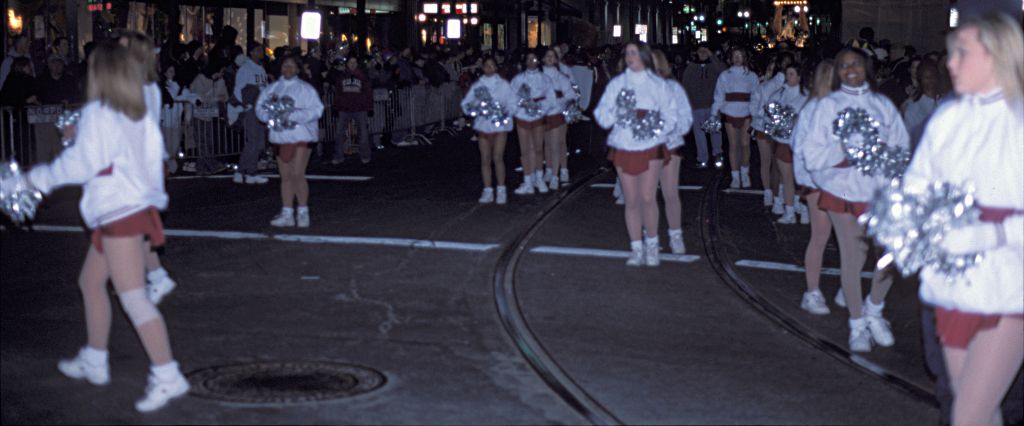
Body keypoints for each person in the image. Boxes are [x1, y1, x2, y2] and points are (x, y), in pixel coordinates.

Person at [24, 41, 189, 413]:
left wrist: (32, 180)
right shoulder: (133, 114)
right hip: (128, 208)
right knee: (90, 282)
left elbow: (81, 166)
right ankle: (95, 357)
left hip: (118, 211)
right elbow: (146, 164)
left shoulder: (101, 112)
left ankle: (167, 374)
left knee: (133, 297)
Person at [902, 14, 1023, 426]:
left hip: (1010, 284)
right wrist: (904, 225)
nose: (949, 64)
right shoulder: (947, 119)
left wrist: (988, 235)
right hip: (949, 284)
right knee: (976, 409)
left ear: (996, 56)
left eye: (961, 54)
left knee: (968, 413)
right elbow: (917, 186)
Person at [803, 48, 909, 352]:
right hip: (844, 192)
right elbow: (813, 156)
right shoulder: (827, 107)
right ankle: (857, 324)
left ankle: (875, 310)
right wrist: (846, 151)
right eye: (844, 65)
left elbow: (900, 146)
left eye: (856, 64)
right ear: (837, 72)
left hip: (878, 194)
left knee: (890, 256)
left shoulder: (881, 105)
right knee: (854, 256)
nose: (851, 69)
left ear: (867, 68)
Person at [595, 42, 677, 266]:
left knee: (648, 197)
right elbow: (602, 114)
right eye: (627, 54)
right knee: (631, 199)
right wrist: (616, 114)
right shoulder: (617, 84)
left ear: (644, 57)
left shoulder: (658, 84)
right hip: (624, 144)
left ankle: (652, 243)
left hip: (651, 145)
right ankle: (636, 247)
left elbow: (670, 114)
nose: (630, 57)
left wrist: (655, 127)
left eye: (635, 53)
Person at [255, 55, 324, 228]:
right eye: (285, 66)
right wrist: (270, 116)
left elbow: (317, 110)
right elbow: (260, 108)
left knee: (297, 174)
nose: (288, 69)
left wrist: (293, 116)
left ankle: (302, 212)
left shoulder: (305, 89)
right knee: (285, 176)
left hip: (302, 136)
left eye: (292, 66)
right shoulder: (272, 89)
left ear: (298, 69)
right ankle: (287, 212)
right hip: (280, 137)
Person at [792, 59, 837, 315]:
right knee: (820, 235)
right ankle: (811, 292)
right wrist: (808, 181)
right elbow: (798, 146)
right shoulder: (812, 109)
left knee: (850, 238)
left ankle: (848, 287)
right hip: (818, 183)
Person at [652, 49, 693, 254]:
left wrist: (670, 132)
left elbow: (684, 117)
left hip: (669, 145)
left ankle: (675, 235)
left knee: (670, 192)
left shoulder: (673, 88)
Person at [461, 56, 515, 205]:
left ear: (496, 68)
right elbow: (467, 103)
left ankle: (501, 188)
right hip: (484, 124)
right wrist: (475, 108)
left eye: (492, 66)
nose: (489, 68)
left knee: (497, 157)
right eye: (487, 66)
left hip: (500, 125)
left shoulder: (503, 84)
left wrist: (504, 112)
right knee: (485, 158)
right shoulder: (478, 85)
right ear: (483, 68)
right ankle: (487, 189)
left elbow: (512, 102)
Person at [767, 61, 809, 224]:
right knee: (786, 178)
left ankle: (804, 209)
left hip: (800, 144)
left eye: (792, 74)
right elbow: (770, 109)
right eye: (787, 74)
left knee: (800, 178)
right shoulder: (779, 94)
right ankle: (789, 211)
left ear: (799, 77)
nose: (788, 77)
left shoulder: (806, 96)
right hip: (782, 141)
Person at [510, 50, 556, 195]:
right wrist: (521, 105)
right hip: (522, 115)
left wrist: (540, 108)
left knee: (537, 147)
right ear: (525, 62)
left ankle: (539, 178)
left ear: (538, 61)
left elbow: (551, 97)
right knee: (525, 149)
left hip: (538, 114)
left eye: (534, 59)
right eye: (528, 59)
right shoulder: (518, 79)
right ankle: (527, 180)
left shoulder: (544, 79)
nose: (531, 62)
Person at [711, 46, 759, 188]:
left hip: (747, 113)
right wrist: (714, 113)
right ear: (731, 58)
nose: (738, 58)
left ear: (745, 58)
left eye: (740, 55)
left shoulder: (752, 76)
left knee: (745, 144)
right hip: (729, 112)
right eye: (735, 55)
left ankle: (745, 173)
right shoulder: (724, 75)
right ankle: (735, 175)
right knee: (733, 145)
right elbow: (719, 95)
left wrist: (755, 114)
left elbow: (756, 96)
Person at [752, 52, 794, 209]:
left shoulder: (787, 88)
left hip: (775, 129)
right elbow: (756, 108)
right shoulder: (765, 87)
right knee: (768, 161)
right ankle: (770, 192)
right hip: (764, 127)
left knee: (776, 163)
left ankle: (776, 192)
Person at [681, 44, 725, 169]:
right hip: (696, 106)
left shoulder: (714, 66)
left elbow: (724, 72)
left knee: (715, 131)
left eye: (705, 51)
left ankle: (717, 154)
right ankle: (702, 158)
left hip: (713, 106)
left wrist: (712, 56)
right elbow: (685, 85)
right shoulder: (691, 67)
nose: (703, 53)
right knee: (699, 134)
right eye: (700, 51)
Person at [541, 47, 578, 191]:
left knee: (558, 143)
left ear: (556, 59)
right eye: (547, 56)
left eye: (553, 56)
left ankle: (559, 173)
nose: (550, 58)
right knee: (547, 144)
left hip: (558, 113)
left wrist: (558, 99)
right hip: (544, 114)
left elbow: (571, 95)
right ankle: (549, 169)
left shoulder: (562, 76)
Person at [233, 42, 270, 185]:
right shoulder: (246, 68)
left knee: (258, 143)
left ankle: (245, 171)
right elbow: (238, 88)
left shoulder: (260, 69)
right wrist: (245, 105)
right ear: (252, 53)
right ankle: (248, 171)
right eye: (259, 50)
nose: (262, 53)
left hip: (259, 108)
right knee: (254, 141)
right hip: (251, 109)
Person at [331, 57, 374, 164]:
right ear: (347, 64)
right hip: (344, 108)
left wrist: (369, 107)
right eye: (350, 62)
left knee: (363, 133)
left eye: (354, 62)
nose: (352, 64)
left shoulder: (362, 76)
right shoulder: (342, 76)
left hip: (359, 108)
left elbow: (367, 92)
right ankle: (338, 156)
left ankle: (365, 155)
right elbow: (338, 93)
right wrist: (336, 107)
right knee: (339, 133)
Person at [901, 59, 944, 143]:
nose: (930, 80)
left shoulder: (945, 102)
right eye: (926, 77)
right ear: (920, 79)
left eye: (933, 76)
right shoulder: (913, 106)